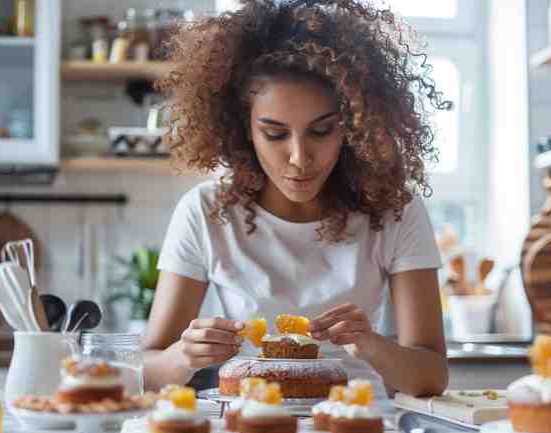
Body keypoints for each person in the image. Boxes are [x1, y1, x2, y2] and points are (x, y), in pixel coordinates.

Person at [143, 0, 450, 398]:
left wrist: (371, 345)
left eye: (321, 132)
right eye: (274, 134)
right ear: (244, 130)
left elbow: (432, 375)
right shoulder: (205, 211)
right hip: (246, 430)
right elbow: (147, 372)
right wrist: (184, 356)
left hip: (358, 430)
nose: (300, 158)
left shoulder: (394, 210)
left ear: (353, 126)